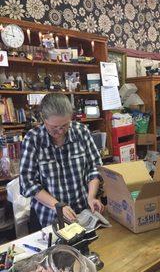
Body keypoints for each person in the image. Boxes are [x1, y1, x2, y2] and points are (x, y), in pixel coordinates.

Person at [19, 93, 104, 232]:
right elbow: (27, 183)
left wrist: (91, 196)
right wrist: (57, 206)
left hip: (83, 213)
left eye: (65, 125)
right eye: (54, 127)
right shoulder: (33, 139)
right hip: (50, 217)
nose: (59, 131)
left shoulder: (81, 132)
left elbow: (93, 168)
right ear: (43, 119)